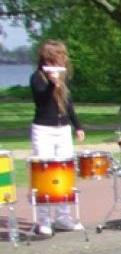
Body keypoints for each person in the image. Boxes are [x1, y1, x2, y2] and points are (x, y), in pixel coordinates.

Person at [28, 39, 84, 235]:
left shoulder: (62, 77)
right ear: (49, 57)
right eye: (59, 55)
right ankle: (44, 219)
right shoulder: (37, 77)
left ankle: (63, 216)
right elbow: (41, 99)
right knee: (44, 171)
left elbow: (68, 103)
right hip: (43, 129)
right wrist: (52, 84)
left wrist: (77, 126)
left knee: (64, 171)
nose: (63, 59)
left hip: (63, 129)